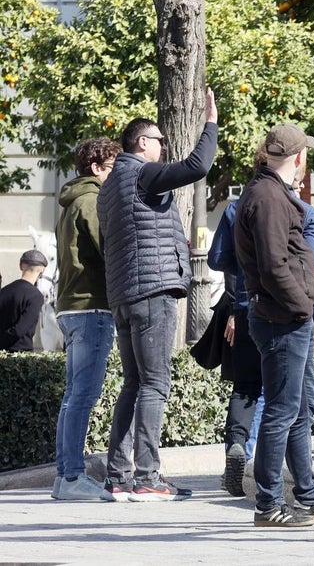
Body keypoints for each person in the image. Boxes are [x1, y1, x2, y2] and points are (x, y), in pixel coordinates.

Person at [97, 88, 217, 502]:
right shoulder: (142, 173)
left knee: (133, 383)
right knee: (155, 383)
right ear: (141, 143)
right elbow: (198, 165)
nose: (165, 147)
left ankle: (118, 477)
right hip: (152, 292)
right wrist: (211, 124)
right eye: (160, 141)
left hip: (125, 295)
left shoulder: (109, 187)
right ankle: (148, 477)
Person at [233, 123, 314, 527]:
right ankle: (267, 504)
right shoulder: (268, 197)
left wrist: (309, 311)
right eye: (305, 156)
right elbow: (274, 265)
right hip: (282, 319)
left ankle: (309, 496)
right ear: (299, 157)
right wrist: (305, 307)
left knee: (298, 411)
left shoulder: (271, 193)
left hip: (287, 317)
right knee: (282, 412)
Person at [51, 138, 120, 501]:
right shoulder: (92, 200)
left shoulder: (70, 201)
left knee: (72, 396)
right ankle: (74, 477)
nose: (116, 175)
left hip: (70, 307)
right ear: (96, 168)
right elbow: (109, 248)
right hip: (91, 306)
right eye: (112, 168)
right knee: (83, 395)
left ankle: (65, 478)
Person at [0, 250, 47, 352]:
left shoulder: (4, 291)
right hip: (21, 358)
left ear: (21, 266)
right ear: (42, 270)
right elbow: (19, 330)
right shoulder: (36, 296)